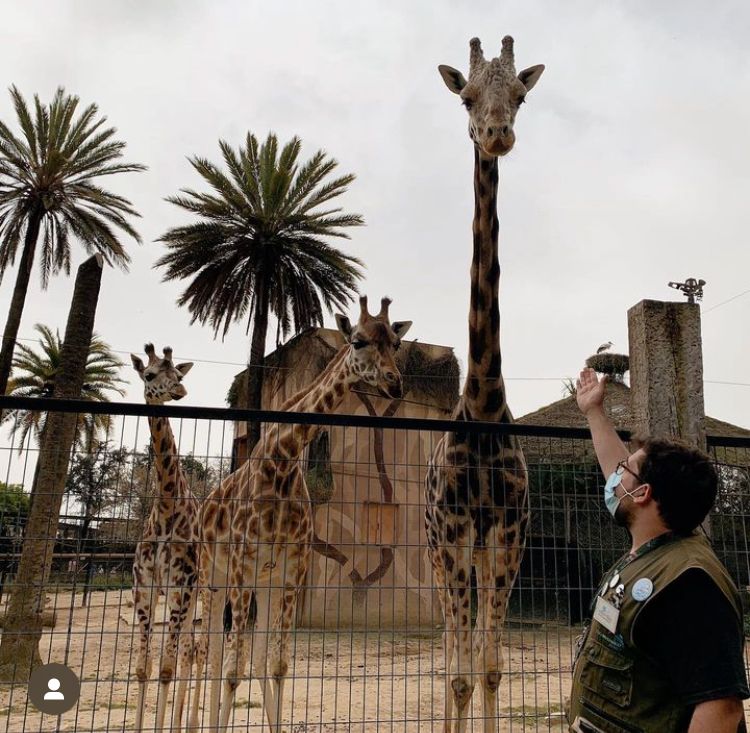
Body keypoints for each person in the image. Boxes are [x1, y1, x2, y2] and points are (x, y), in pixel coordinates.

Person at [568, 367, 749, 733]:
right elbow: (617, 473)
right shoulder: (658, 550)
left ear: (643, 494)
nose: (615, 477)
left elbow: (722, 711)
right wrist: (593, 412)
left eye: (626, 470)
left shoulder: (690, 585)